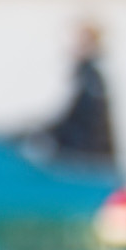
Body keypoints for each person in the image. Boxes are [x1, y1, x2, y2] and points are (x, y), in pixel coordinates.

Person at [43, 22, 117, 165]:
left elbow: (87, 123)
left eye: (80, 42)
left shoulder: (91, 78)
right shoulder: (85, 75)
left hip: (87, 163)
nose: (73, 47)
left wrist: (53, 135)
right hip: (86, 161)